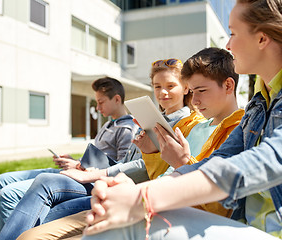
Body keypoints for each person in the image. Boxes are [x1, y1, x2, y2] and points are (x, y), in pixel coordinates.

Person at [80, 0, 282, 240]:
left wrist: (143, 197)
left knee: (126, 224)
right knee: (120, 221)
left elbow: (269, 161)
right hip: (248, 228)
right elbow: (215, 163)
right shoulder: (260, 103)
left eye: (233, 33)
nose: (228, 45)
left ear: (263, 38)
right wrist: (142, 189)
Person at [17, 47, 245, 240]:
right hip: (148, 199)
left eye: (201, 91)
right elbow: (163, 174)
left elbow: (217, 199)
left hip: (162, 209)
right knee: (33, 228)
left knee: (37, 228)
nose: (194, 100)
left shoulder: (236, 130)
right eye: (193, 91)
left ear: (228, 85)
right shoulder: (197, 127)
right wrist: (152, 151)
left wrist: (180, 162)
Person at [0, 58, 196, 240]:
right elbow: (126, 162)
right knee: (31, 194)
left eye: (171, 86)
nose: (162, 93)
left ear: (186, 88)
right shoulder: (150, 118)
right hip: (109, 179)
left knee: (42, 191)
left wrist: (94, 174)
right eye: (157, 86)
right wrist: (87, 167)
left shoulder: (184, 124)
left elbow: (146, 167)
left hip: (126, 190)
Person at [0, 77, 139, 236]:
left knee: (9, 193)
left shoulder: (127, 128)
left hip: (91, 180)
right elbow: (97, 159)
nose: (97, 107)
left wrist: (78, 167)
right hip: (81, 172)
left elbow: (121, 169)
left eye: (101, 102)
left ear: (117, 99)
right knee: (1, 181)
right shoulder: (108, 124)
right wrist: (75, 162)